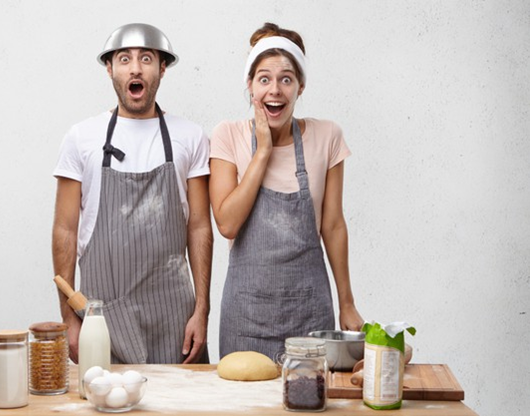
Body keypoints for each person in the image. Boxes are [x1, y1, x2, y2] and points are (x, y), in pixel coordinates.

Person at [52, 23, 212, 365]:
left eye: (147, 58)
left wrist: (202, 310)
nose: (135, 68)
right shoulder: (82, 137)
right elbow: (65, 229)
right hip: (101, 318)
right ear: (110, 69)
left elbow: (199, 226)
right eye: (124, 59)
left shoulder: (190, 136)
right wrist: (68, 319)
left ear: (162, 68)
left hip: (174, 318)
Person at [209, 23, 364, 359]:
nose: (275, 90)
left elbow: (333, 225)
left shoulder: (327, 137)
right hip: (246, 317)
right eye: (264, 79)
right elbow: (227, 224)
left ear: (300, 87)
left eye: (286, 79)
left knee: (309, 408)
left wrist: (347, 302)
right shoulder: (227, 135)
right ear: (249, 86)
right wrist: (262, 151)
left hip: (310, 314)